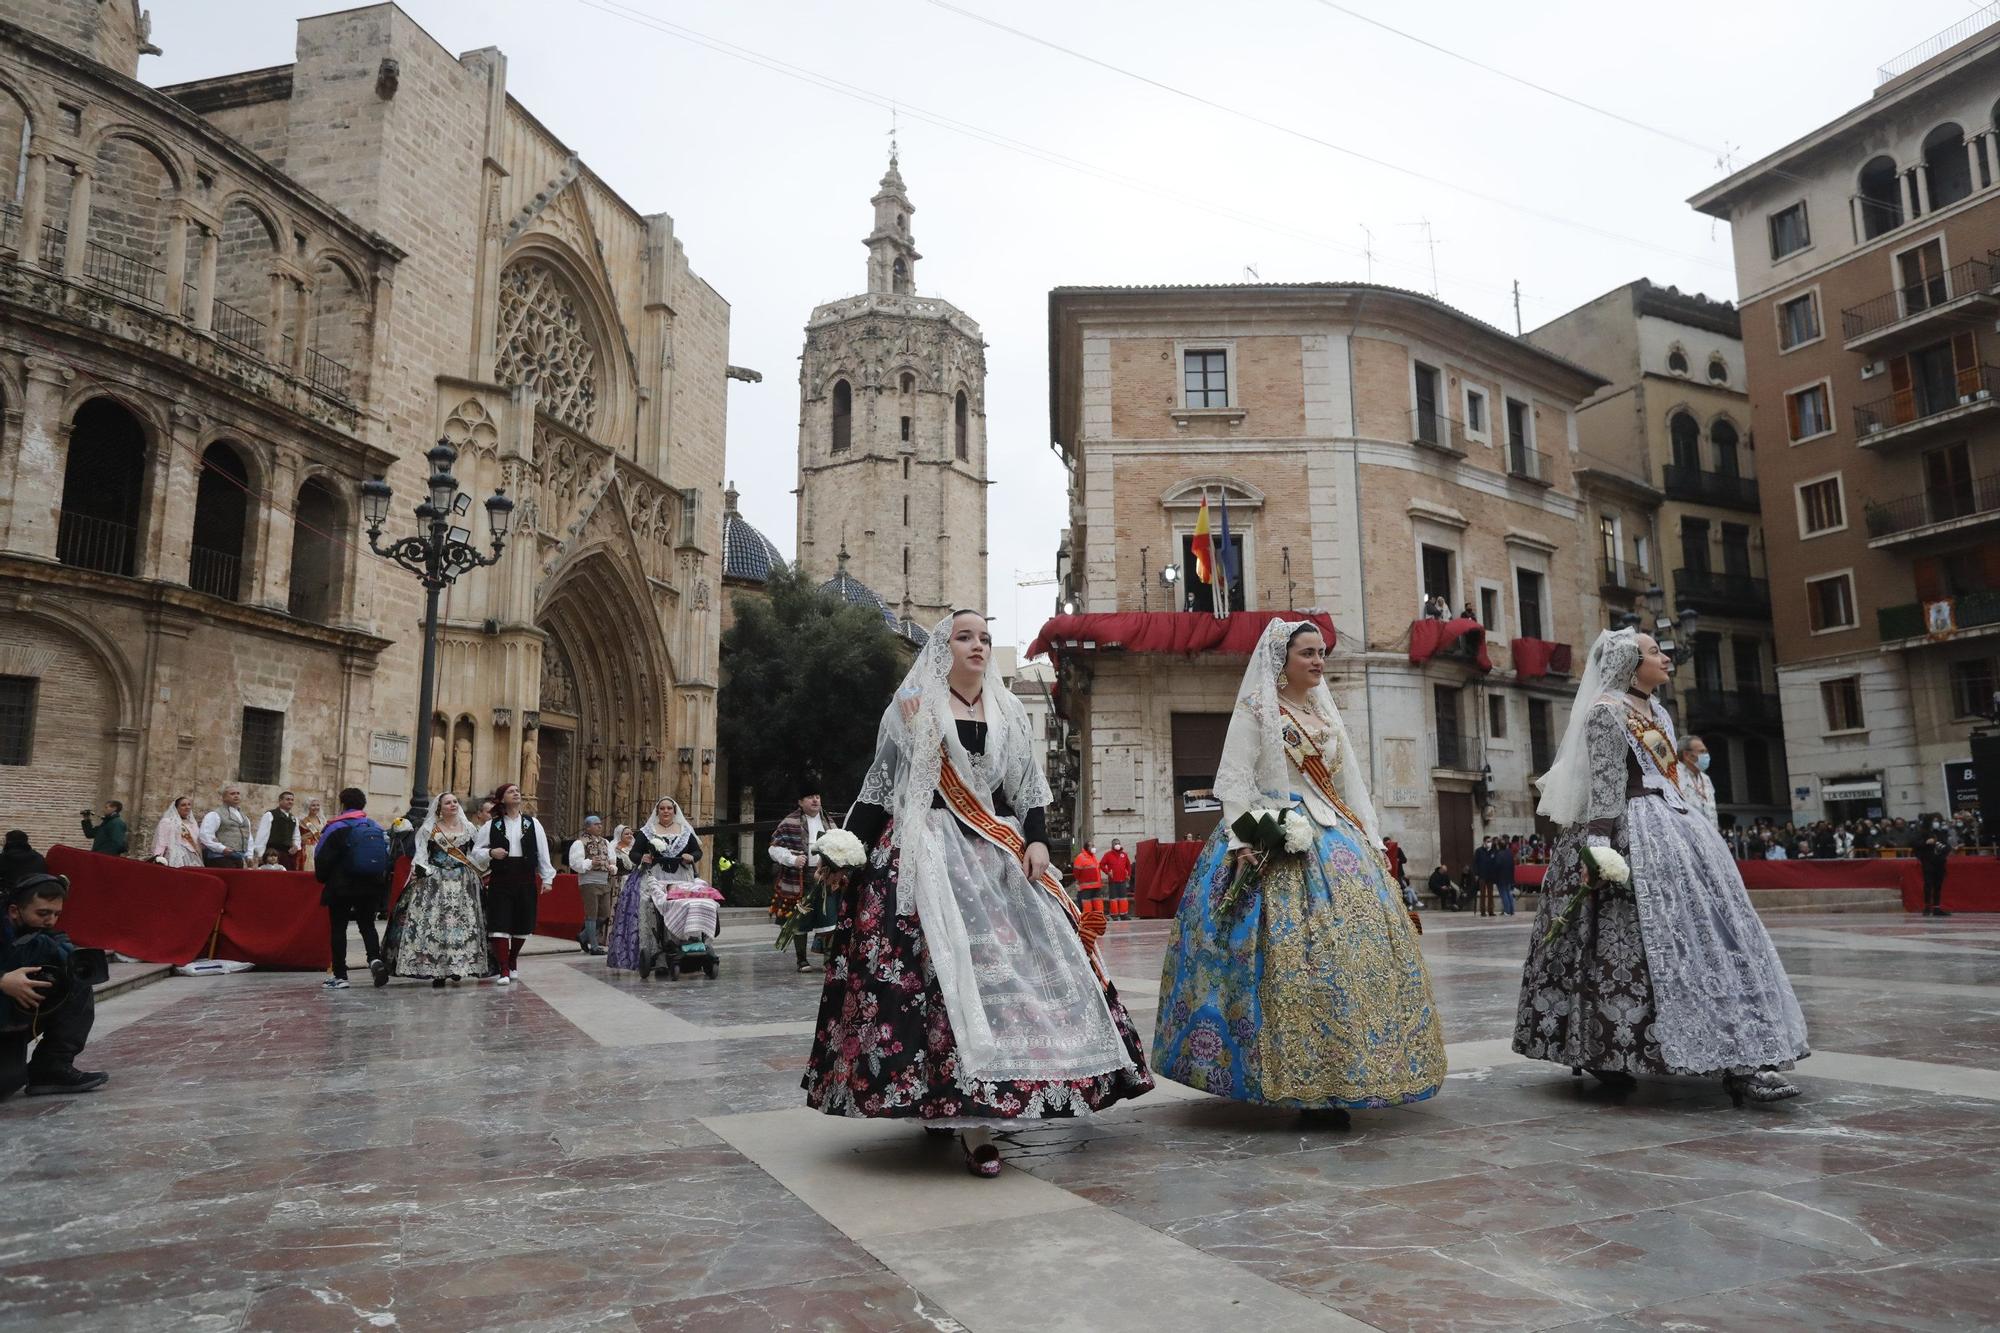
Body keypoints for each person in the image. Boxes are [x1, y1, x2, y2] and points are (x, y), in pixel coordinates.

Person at [805, 610, 1151, 1176]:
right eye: (964, 636)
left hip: (990, 853)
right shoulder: (914, 704)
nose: (978, 645)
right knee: (936, 982)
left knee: (1010, 975)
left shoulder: (1009, 710)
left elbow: (1028, 789)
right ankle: (957, 1110)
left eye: (986, 637)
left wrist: (1038, 842)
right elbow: (878, 789)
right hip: (924, 854)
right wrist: (849, 849)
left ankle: (983, 1103)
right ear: (944, 649)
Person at [1154, 619, 1445, 1129]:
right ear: (1281, 660)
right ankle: (1295, 1079)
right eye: (1308, 653)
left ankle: (1351, 1070)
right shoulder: (1258, 712)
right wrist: (1243, 841)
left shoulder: (1324, 715)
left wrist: (1373, 842)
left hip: (1335, 839)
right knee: (1288, 960)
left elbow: (1350, 783)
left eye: (1322, 653)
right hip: (1274, 834)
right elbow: (1236, 782)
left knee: (1350, 956)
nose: (1318, 662)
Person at [1514, 628, 1809, 1106]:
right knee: (1619, 948)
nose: (1666, 658)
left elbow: (1671, 778)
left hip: (1677, 829)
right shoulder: (1606, 713)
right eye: (1655, 652)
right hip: (1631, 832)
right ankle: (1605, 1049)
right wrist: (1598, 851)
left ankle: (1744, 1055)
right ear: (1631, 663)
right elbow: (1608, 787)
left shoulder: (1660, 713)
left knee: (1710, 938)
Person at [2, 875, 107, 1098]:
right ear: (14, 911)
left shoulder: (44, 937)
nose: (50, 921)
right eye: (42, 913)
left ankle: (51, 1067)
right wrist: (4, 981)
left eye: (56, 914)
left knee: (76, 983)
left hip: (13, 1018)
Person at [387, 791, 490, 987]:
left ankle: (459, 965)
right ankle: (439, 970)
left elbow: (475, 853)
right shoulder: (429, 829)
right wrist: (422, 870)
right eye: (448, 803)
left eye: (454, 802)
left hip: (463, 882)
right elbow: (421, 855)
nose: (452, 805)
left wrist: (485, 866)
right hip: (436, 881)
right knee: (438, 925)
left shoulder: (468, 828)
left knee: (462, 925)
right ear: (439, 808)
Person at [608, 796, 698, 979]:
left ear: (674, 811)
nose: (666, 811)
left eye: (669, 808)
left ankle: (685, 955)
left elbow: (698, 851)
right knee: (652, 911)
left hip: (680, 878)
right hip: (654, 878)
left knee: (681, 910)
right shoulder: (647, 832)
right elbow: (634, 852)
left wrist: (692, 856)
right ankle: (657, 957)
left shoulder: (685, 831)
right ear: (657, 811)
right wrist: (641, 858)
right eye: (662, 808)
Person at [474, 783, 555, 984]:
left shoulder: (532, 824)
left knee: (523, 923)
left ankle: (512, 958)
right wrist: (491, 853)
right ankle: (503, 969)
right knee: (499, 921)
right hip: (501, 877)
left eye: (518, 790)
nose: (517, 793)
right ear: (502, 799)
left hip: (525, 876)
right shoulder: (492, 825)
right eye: (511, 791)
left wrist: (547, 878)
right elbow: (475, 853)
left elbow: (542, 852)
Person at [314, 788, 392, 991]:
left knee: (339, 929)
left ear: (342, 804)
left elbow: (322, 857)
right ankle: (374, 959)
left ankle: (340, 975)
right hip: (370, 885)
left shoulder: (335, 827)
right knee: (367, 925)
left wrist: (324, 878)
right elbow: (385, 854)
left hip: (342, 886)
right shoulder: (373, 825)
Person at [768, 783, 830, 972]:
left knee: (829, 917)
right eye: (810, 797)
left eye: (817, 796)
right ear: (800, 802)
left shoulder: (828, 821)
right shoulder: (789, 822)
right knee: (800, 918)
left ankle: (828, 960)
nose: (815, 800)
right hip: (800, 877)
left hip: (825, 877)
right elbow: (773, 848)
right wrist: (792, 859)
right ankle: (801, 960)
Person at [568, 815, 617, 955]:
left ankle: (583, 936)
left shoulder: (606, 842)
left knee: (604, 913)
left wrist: (613, 867)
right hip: (589, 881)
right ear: (588, 827)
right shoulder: (580, 843)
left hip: (605, 880)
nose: (599, 826)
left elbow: (612, 860)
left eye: (600, 824)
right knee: (592, 914)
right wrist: (589, 863)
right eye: (596, 824)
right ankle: (594, 946)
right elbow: (575, 863)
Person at [198, 785, 253, 869]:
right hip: (220, 858)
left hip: (238, 858)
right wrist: (222, 848)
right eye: (232, 794)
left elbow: (248, 837)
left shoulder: (244, 817)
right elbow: (205, 835)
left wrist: (249, 855)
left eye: (238, 793)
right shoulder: (215, 814)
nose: (236, 795)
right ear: (224, 797)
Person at [252, 791, 305, 871]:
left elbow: (296, 836)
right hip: (271, 853)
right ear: (280, 801)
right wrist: (261, 854)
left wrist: (295, 846)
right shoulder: (270, 815)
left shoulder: (293, 819)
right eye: (287, 799)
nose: (290, 801)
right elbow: (262, 835)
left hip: (287, 855)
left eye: (292, 800)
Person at [149, 796, 204, 868]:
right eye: (183, 805)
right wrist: (157, 858)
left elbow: (196, 842)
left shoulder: (192, 823)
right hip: (175, 856)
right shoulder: (168, 822)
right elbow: (161, 842)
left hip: (192, 856)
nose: (187, 807)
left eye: (189, 804)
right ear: (176, 808)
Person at [1917, 819, 1952, 917]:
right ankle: (1927, 907)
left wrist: (1942, 848)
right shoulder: (1922, 834)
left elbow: (1947, 847)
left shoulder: (1941, 834)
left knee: (1938, 886)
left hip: (1939, 863)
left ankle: (1937, 907)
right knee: (1928, 885)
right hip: (1928, 863)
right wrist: (1926, 843)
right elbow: (1915, 845)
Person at [1100, 839, 1132, 918]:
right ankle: (1114, 915)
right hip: (1113, 881)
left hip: (1122, 880)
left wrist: (1128, 874)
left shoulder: (1124, 855)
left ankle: (1124, 914)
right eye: (1115, 844)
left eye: (1118, 843)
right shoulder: (1108, 855)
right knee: (1113, 899)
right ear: (1112, 845)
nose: (1117, 845)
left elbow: (1128, 865)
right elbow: (1101, 865)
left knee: (1123, 898)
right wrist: (1108, 872)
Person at [1070, 840, 1103, 913]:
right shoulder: (1080, 857)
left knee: (1098, 903)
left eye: (1093, 846)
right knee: (1087, 904)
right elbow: (1076, 872)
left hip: (1096, 886)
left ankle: (1099, 917)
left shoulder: (1093, 857)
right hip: (1086, 886)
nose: (1093, 847)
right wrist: (1079, 882)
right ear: (1086, 847)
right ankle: (1088, 918)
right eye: (1092, 846)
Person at [297, 798, 325, 872]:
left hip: (320, 847)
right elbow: (298, 837)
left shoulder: (322, 819)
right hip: (308, 848)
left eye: (317, 805)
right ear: (307, 807)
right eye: (313, 805)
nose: (316, 807)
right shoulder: (302, 820)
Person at [1492, 835, 1517, 917]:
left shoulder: (1499, 854)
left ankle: (1507, 910)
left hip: (1501, 878)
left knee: (1504, 894)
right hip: (1509, 877)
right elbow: (1512, 865)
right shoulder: (1509, 853)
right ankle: (1511, 910)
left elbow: (1497, 866)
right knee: (1509, 893)